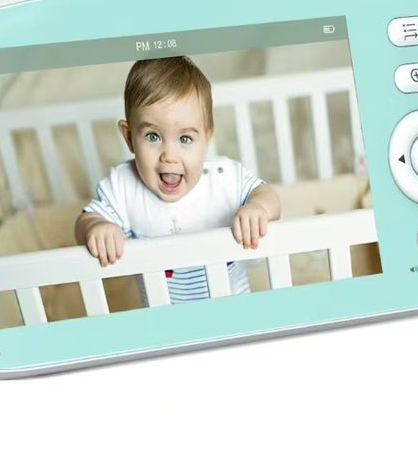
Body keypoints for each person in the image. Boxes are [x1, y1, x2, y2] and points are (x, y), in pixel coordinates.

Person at [74, 56, 281, 302]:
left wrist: (258, 208)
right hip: (163, 317)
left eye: (185, 139)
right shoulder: (123, 186)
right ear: (129, 137)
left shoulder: (223, 178)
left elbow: (267, 194)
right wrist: (96, 227)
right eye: (152, 136)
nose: (169, 156)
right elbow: (85, 220)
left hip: (234, 308)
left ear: (207, 139)